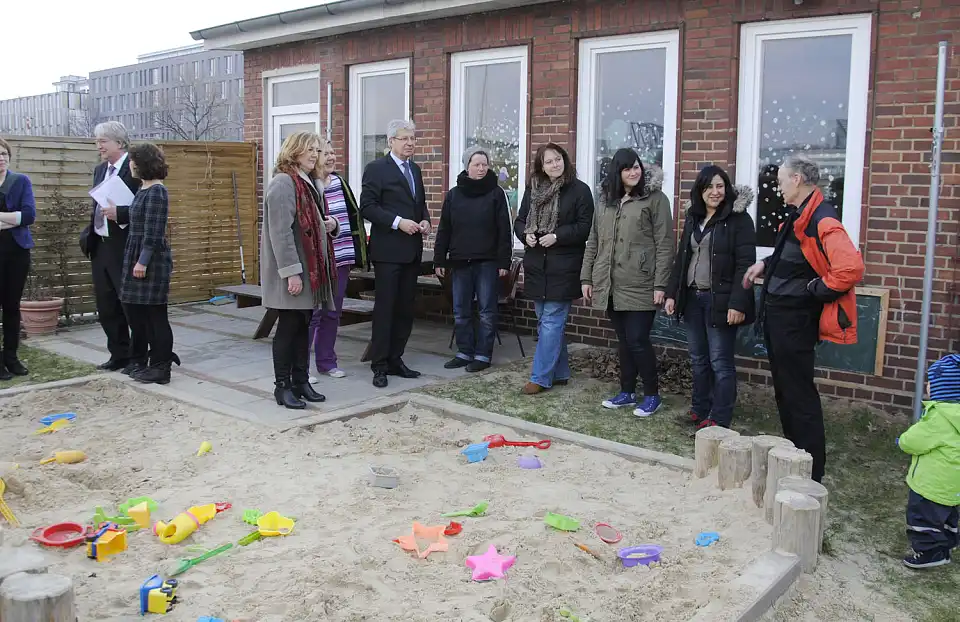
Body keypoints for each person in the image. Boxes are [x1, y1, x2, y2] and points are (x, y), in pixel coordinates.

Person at [743, 153, 864, 482]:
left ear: (797, 179)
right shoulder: (798, 215)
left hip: (795, 323)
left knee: (799, 394)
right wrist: (764, 266)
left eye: (781, 180)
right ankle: (795, 458)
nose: (777, 187)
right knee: (785, 390)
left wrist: (816, 290)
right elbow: (793, 256)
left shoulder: (822, 219)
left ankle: (811, 471)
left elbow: (850, 268)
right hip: (779, 319)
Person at [580, 148, 672, 417]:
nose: (634, 172)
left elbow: (665, 244)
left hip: (642, 283)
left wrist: (661, 285)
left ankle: (653, 395)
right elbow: (594, 242)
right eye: (627, 168)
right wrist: (587, 277)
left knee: (638, 339)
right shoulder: (605, 201)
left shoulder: (655, 199)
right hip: (610, 283)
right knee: (624, 340)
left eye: (637, 167)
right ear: (617, 172)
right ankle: (627, 392)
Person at [665, 165, 757, 429]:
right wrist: (673, 293)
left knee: (720, 362)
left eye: (720, 186)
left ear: (726, 188)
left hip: (722, 301)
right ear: (700, 191)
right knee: (698, 359)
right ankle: (699, 408)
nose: (715, 192)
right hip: (693, 299)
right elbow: (682, 259)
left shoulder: (739, 219)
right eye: (709, 187)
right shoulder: (693, 217)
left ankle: (719, 418)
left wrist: (738, 302)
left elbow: (746, 264)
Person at [262, 131, 339, 409]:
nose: (314, 155)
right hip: (293, 271)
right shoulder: (284, 182)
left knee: (303, 325)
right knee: (289, 327)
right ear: (293, 150)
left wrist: (329, 225)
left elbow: (310, 223)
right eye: (309, 149)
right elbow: (280, 232)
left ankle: (300, 381)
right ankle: (282, 386)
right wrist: (291, 272)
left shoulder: (308, 182)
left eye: (317, 150)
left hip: (309, 270)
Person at [515, 143, 594, 395]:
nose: (554, 165)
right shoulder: (534, 188)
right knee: (545, 321)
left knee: (550, 322)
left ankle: (540, 377)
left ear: (565, 160)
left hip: (565, 265)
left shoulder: (580, 190)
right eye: (548, 161)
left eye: (558, 159)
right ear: (541, 166)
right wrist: (524, 235)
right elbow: (520, 220)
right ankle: (560, 372)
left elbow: (586, 227)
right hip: (537, 264)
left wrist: (558, 236)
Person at [359, 119, 431, 389]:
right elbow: (367, 207)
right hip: (388, 251)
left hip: (412, 252)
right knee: (386, 309)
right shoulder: (376, 169)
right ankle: (379, 364)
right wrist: (397, 222)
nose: (410, 143)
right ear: (390, 142)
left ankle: (396, 358)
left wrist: (425, 221)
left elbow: (419, 205)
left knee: (404, 310)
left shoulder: (416, 170)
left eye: (413, 138)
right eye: (404, 138)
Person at [434, 146, 512, 372]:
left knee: (487, 311)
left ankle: (483, 355)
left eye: (484, 164)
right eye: (476, 164)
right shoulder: (454, 195)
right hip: (460, 262)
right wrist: (440, 259)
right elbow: (444, 229)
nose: (481, 168)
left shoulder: (496, 194)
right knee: (461, 311)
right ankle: (464, 351)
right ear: (467, 166)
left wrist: (504, 262)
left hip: (487, 262)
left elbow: (504, 231)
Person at [81, 121, 141, 373]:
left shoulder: (135, 168)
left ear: (119, 142)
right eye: (97, 141)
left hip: (124, 247)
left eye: (102, 141)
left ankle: (139, 357)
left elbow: (145, 207)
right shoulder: (99, 170)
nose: (98, 146)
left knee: (129, 305)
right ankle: (119, 354)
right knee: (106, 306)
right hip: (101, 246)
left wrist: (122, 213)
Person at [118, 143, 180, 384]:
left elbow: (153, 234)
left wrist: (142, 262)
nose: (131, 164)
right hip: (136, 254)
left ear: (143, 163)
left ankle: (161, 368)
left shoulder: (157, 192)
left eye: (134, 160)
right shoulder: (143, 189)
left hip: (151, 261)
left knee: (156, 316)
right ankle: (154, 357)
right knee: (138, 313)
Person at [308, 139, 368, 380]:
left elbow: (353, 217)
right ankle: (302, 366)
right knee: (312, 314)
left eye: (333, 153)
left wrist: (338, 226)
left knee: (333, 312)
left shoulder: (340, 182)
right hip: (317, 261)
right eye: (326, 153)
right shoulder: (309, 184)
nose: (331, 157)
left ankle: (327, 362)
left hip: (341, 257)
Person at [897, 353, 960, 569]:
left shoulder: (938, 417)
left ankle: (930, 553)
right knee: (949, 514)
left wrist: (901, 441)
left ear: (942, 389)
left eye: (931, 383)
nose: (927, 386)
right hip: (954, 485)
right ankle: (948, 544)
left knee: (922, 518)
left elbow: (913, 442)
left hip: (930, 484)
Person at [0, 137, 36, 380]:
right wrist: (11, 218)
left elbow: (29, 215)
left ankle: (11, 358)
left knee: (12, 307)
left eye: (4, 154)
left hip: (16, 251)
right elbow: (18, 217)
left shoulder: (20, 181)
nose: (1, 158)